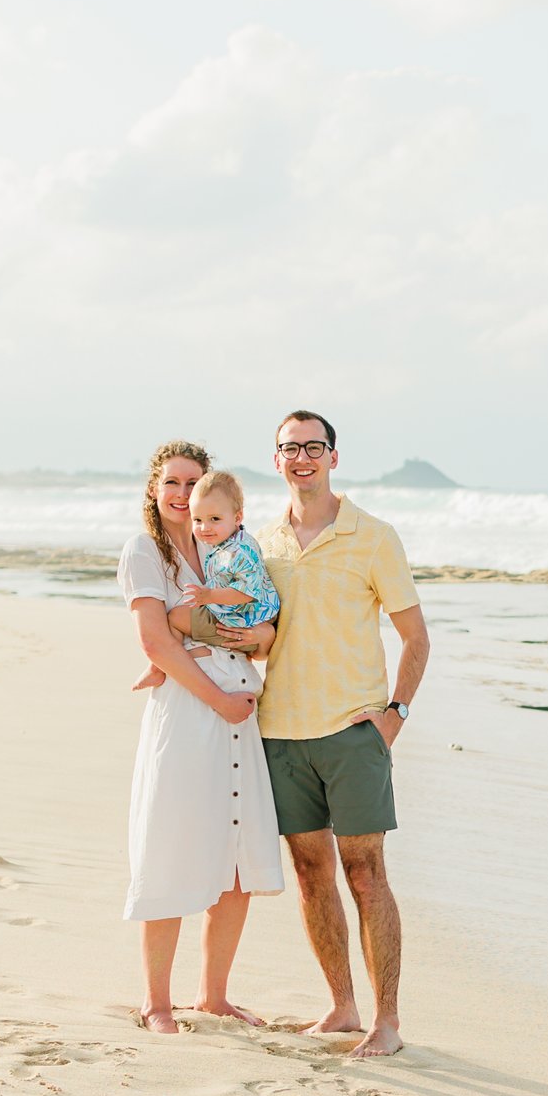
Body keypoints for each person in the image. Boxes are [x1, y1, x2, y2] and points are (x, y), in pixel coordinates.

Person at [232, 409, 427, 1058]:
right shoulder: (258, 543)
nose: (302, 458)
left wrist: (394, 712)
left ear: (334, 457)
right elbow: (258, 635)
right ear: (278, 458)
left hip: (352, 734)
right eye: (291, 448)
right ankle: (343, 1006)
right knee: (312, 873)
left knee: (366, 873)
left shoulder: (373, 536)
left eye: (314, 446)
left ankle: (387, 1020)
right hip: (281, 735)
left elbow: (415, 637)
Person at [117, 441, 283, 1034]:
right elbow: (156, 642)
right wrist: (217, 698)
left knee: (234, 859)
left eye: (195, 484)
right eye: (174, 484)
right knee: (170, 849)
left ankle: (213, 996)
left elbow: (265, 631)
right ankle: (156, 1003)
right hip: (191, 717)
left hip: (238, 715)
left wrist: (239, 642)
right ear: (154, 491)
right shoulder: (146, 553)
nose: (185, 496)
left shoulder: (225, 550)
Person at [132, 469, 278, 691]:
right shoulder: (224, 543)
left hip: (244, 618)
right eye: (197, 520)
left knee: (176, 617)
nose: (204, 527)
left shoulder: (239, 551)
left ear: (238, 517)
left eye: (214, 519)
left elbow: (247, 592)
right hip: (243, 618)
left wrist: (209, 596)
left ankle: (157, 668)